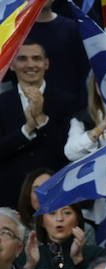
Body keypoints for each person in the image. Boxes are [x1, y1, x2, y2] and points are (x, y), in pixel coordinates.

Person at [0, 42, 70, 207]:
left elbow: (67, 152)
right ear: (11, 64)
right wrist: (27, 130)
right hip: (9, 199)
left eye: (36, 58)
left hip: (54, 198)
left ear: (46, 64)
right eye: (22, 59)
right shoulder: (1, 103)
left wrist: (41, 119)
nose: (30, 64)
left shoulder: (67, 101)